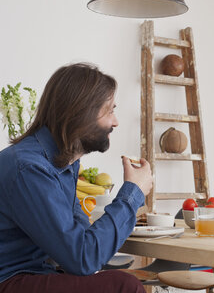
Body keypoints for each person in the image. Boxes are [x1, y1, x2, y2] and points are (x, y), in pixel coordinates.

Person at [0, 63, 153, 293]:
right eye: (110, 110)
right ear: (82, 113)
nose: (116, 122)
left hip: (37, 273)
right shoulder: (30, 169)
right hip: (10, 280)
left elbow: (80, 240)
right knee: (124, 286)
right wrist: (133, 192)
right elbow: (83, 258)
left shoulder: (63, 164)